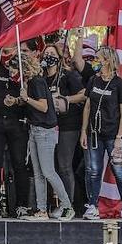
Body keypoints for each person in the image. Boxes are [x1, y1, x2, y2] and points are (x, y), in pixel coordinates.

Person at [80, 46, 122, 219]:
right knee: (94, 170)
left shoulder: (119, 84)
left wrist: (119, 137)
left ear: (107, 61)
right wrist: (83, 132)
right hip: (94, 134)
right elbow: (87, 106)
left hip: (113, 135)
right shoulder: (93, 81)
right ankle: (93, 206)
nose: (95, 61)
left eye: (98, 58)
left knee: (118, 170)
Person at [21, 52, 73, 219]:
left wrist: (27, 98)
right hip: (35, 130)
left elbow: (43, 107)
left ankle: (67, 205)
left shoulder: (36, 82)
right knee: (38, 173)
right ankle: (41, 209)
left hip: (44, 132)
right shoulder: (32, 82)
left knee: (48, 171)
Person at [0, 45, 31, 217]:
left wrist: (16, 100)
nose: (7, 55)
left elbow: (27, 99)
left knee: (19, 163)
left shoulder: (22, 68)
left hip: (16, 122)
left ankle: (22, 205)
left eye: (11, 51)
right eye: (4, 51)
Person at [44, 41, 85, 213]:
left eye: (53, 54)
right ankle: (55, 202)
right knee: (50, 167)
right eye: (46, 54)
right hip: (49, 126)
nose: (49, 57)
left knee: (64, 165)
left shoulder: (68, 75)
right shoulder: (42, 78)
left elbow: (83, 94)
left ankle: (69, 204)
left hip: (69, 125)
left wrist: (65, 99)